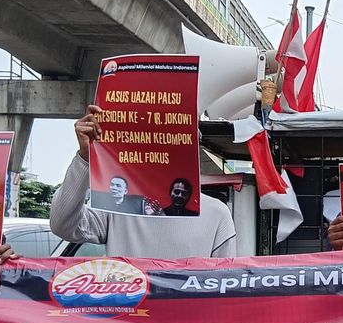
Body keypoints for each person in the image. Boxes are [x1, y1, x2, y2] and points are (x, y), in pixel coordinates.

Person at [50, 105, 237, 258]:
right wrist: (85, 157)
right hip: (127, 304)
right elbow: (63, 225)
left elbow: (223, 286)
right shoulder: (120, 206)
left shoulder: (217, 214)